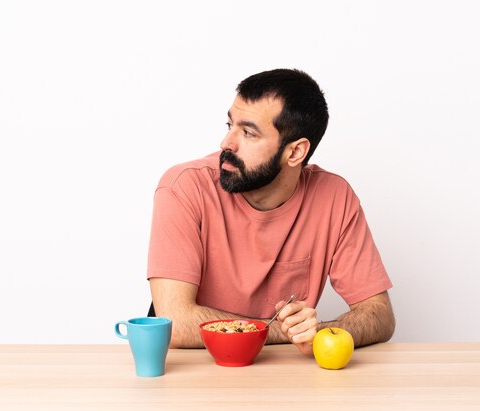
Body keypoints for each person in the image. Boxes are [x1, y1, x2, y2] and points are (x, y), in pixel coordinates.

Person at [147, 68, 395, 355]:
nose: (226, 143)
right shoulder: (183, 188)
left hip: (284, 380)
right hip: (196, 376)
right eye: (230, 125)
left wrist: (318, 332)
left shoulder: (334, 197)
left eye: (249, 133)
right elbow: (175, 323)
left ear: (295, 152)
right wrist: (282, 331)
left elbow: (380, 315)